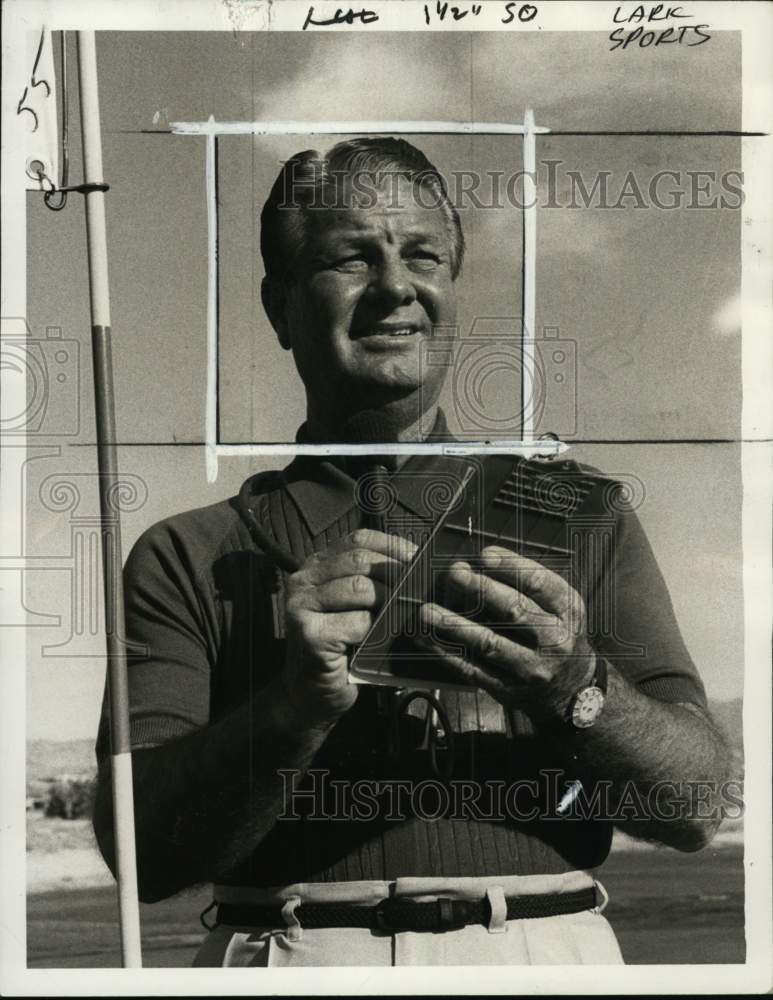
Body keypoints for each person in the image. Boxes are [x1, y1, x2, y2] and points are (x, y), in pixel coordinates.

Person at [93, 138, 730, 967]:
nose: (396, 286)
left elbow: (697, 805)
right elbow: (142, 857)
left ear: (451, 290)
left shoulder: (581, 513)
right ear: (279, 305)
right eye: (349, 258)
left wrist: (576, 687)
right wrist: (291, 709)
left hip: (544, 957)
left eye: (422, 254)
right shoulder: (187, 554)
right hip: (289, 955)